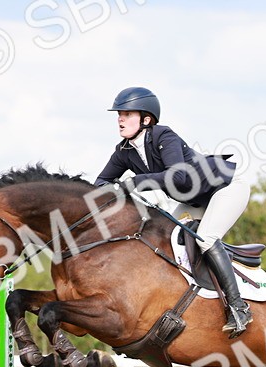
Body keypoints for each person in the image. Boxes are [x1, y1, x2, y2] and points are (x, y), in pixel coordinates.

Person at [94, 87, 253, 338]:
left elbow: (177, 176)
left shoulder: (163, 136)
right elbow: (101, 182)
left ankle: (238, 308)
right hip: (193, 200)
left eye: (126, 114)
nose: (120, 119)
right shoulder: (123, 151)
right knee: (165, 240)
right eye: (119, 115)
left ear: (146, 119)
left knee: (207, 238)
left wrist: (133, 183)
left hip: (225, 189)